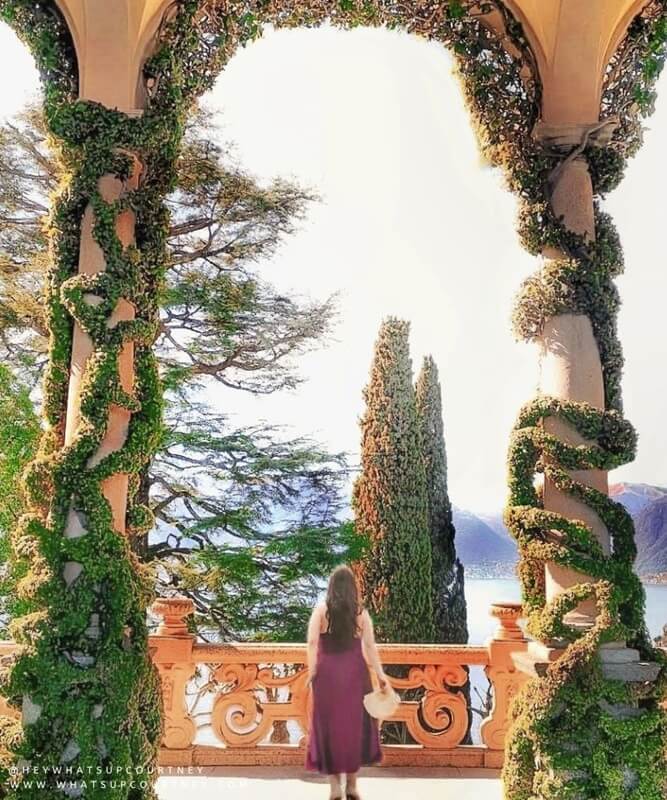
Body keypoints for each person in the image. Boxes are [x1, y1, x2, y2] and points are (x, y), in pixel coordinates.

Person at [305, 564, 389, 800]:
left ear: (331, 587)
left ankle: (334, 788)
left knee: (330, 729)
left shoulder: (321, 611)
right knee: (354, 729)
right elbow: (370, 647)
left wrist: (312, 672)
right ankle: (352, 786)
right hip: (355, 674)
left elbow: (312, 643)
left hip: (327, 676)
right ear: (353, 588)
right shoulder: (360, 613)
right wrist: (381, 676)